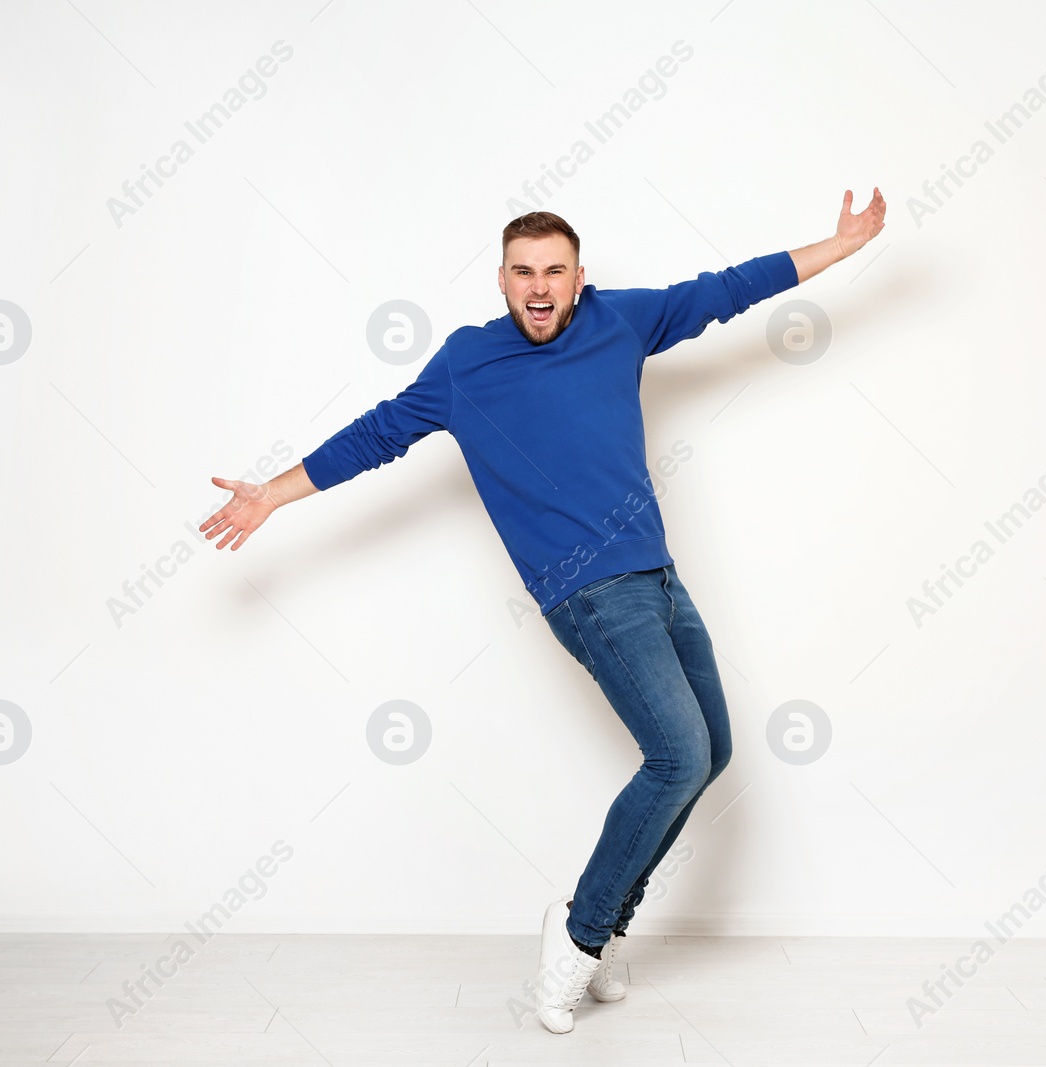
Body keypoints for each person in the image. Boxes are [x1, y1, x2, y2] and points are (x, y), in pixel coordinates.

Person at [199, 189, 887, 1034]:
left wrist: (843, 246)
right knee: (676, 756)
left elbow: (727, 289)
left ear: (577, 278)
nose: (539, 285)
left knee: (709, 755)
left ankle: (598, 931)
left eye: (554, 271)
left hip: (662, 577)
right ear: (501, 280)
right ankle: (576, 939)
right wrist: (271, 492)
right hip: (590, 594)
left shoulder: (620, 321)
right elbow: (377, 434)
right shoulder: (466, 365)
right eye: (523, 271)